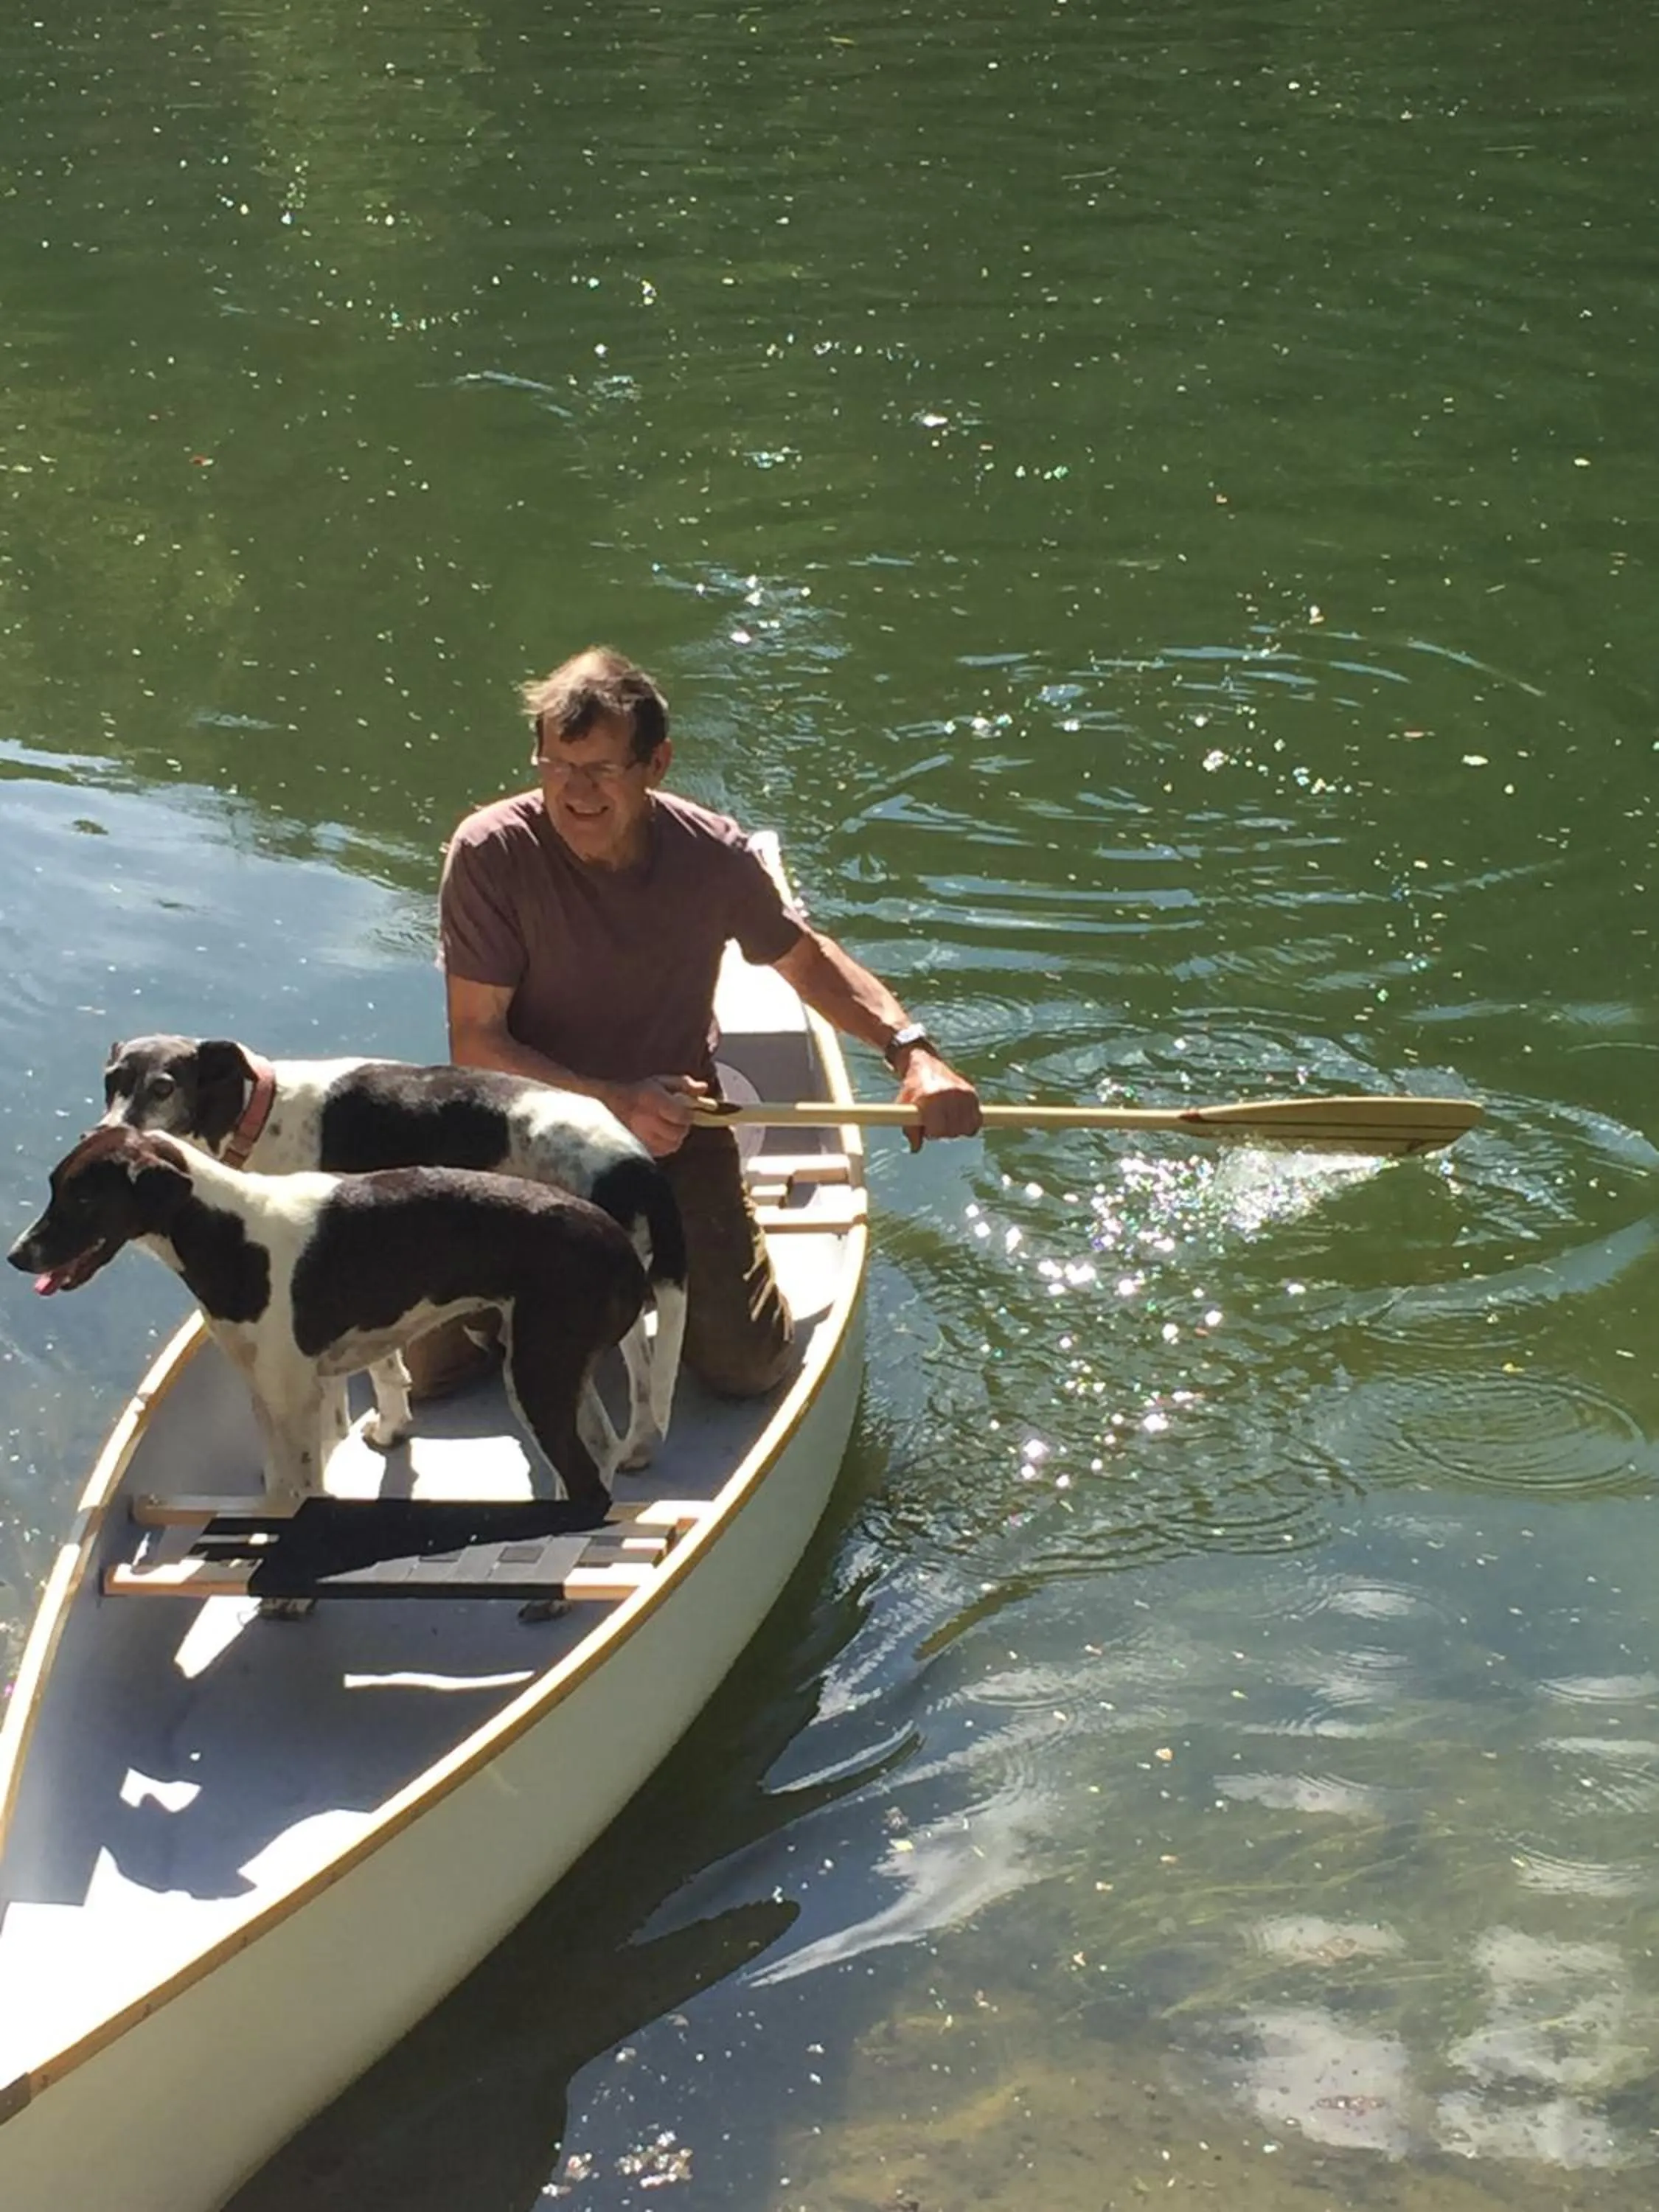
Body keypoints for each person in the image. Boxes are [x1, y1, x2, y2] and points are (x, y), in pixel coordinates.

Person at [418, 644, 981, 1402]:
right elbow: (477, 1042)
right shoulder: (491, 851)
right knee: (427, 1365)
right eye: (557, 766)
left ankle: (648, 1269)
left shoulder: (711, 855)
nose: (575, 793)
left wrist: (911, 1051)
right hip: (521, 1125)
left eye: (602, 771)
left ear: (656, 764)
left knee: (745, 1368)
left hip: (676, 1126)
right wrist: (612, 1101)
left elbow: (805, 960)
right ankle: (517, 1300)